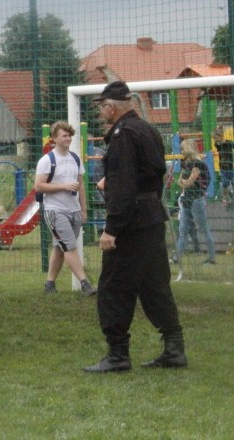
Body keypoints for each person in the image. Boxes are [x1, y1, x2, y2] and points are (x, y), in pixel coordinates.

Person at [84, 81, 187, 372]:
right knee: (154, 284)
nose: (101, 112)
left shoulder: (123, 134)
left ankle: (117, 354)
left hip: (131, 221)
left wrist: (112, 228)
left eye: (103, 107)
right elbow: (152, 174)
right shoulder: (147, 129)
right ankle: (174, 348)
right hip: (152, 217)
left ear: (112, 107)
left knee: (114, 286)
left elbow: (124, 186)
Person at [36, 122, 96, 296]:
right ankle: (85, 283)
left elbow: (81, 186)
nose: (68, 139)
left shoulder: (75, 158)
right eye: (64, 135)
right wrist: (63, 186)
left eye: (69, 135)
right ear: (54, 138)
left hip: (74, 210)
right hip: (55, 211)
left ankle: (49, 284)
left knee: (60, 247)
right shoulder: (47, 161)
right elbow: (39, 186)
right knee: (69, 246)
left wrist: (83, 210)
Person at [173, 139, 216, 265]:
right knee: (183, 230)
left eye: (182, 149)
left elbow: (189, 181)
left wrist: (184, 183)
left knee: (204, 228)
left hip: (197, 200)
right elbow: (180, 182)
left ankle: (212, 258)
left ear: (188, 148)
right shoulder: (186, 163)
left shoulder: (198, 163)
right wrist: (184, 183)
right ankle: (176, 258)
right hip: (187, 200)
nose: (181, 151)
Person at [213, 127, 234, 205]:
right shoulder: (217, 145)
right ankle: (225, 197)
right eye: (214, 138)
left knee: (233, 181)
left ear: (221, 137)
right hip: (222, 168)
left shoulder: (229, 143)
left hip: (230, 167)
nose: (215, 140)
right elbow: (216, 143)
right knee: (225, 183)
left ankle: (230, 195)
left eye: (216, 138)